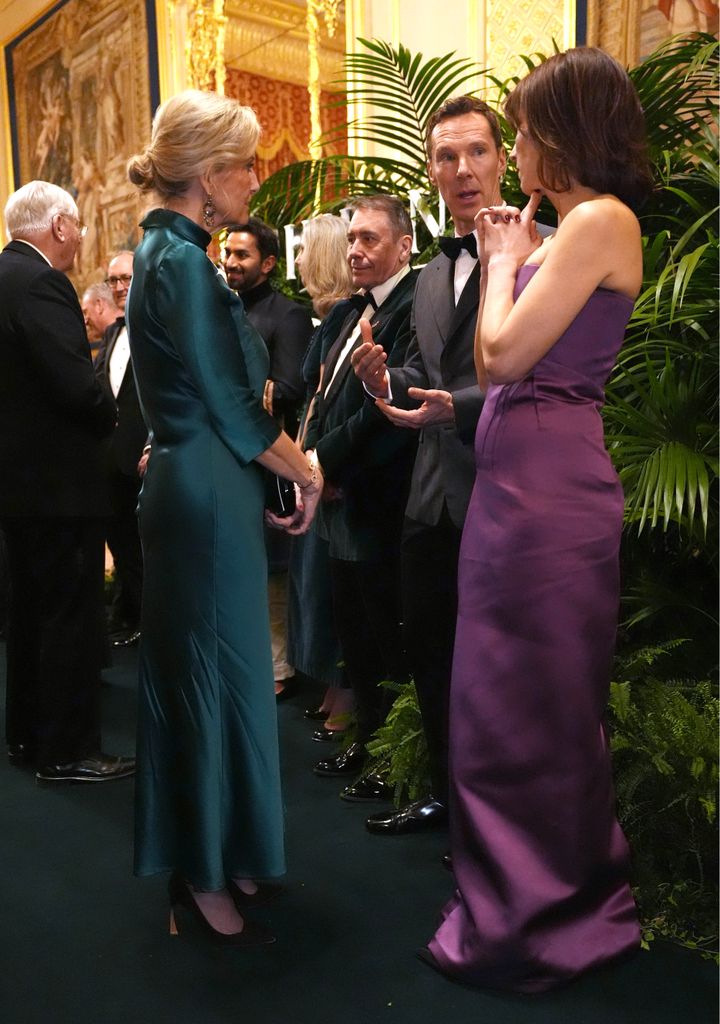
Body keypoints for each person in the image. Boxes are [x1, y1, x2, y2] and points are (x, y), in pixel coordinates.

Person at [423, 47, 652, 992]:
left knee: (538, 704)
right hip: (516, 483)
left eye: (520, 129)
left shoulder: (600, 220)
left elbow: (504, 355)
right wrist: (510, 256)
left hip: (550, 493)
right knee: (496, 697)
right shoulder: (567, 228)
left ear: (564, 132)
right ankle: (512, 895)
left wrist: (502, 262)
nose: (514, 147)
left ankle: (553, 912)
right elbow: (494, 368)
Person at [126, 88, 323, 945]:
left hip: (207, 486)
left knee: (236, 676)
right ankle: (198, 873)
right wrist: (307, 471)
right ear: (207, 175)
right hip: (204, 492)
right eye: (245, 163)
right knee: (207, 685)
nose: (256, 177)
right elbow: (236, 409)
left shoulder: (172, 253)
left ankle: (233, 847)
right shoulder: (178, 262)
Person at [351, 96, 505, 834]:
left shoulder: (544, 248)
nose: (462, 169)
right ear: (431, 171)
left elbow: (537, 374)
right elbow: (423, 368)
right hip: (430, 497)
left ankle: (497, 821)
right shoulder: (436, 274)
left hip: (504, 490)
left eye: (476, 151)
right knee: (433, 655)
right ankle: (448, 797)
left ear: (503, 158)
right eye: (446, 157)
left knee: (497, 672)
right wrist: (386, 378)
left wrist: (462, 407)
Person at [0, 180, 134, 784]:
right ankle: (68, 750)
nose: (80, 237)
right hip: (58, 487)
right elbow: (75, 384)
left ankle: (29, 739)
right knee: (67, 620)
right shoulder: (41, 282)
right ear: (58, 225)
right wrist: (109, 411)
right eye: (77, 227)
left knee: (29, 614)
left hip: (20, 487)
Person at [304, 195, 418, 798]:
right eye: (352, 239)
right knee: (354, 636)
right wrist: (315, 454)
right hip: (341, 497)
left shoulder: (412, 304)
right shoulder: (349, 312)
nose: (355, 249)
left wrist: (325, 459)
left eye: (370, 239)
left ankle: (395, 760)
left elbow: (386, 410)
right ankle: (368, 742)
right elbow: (322, 398)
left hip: (380, 494)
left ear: (403, 246)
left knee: (385, 637)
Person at [222, 218, 314, 699]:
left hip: (271, 460)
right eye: (228, 252)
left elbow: (287, 389)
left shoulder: (288, 314)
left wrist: (234, 397)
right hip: (226, 461)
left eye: (243, 255)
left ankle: (278, 668)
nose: (231, 262)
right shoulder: (219, 309)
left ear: (270, 263)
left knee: (273, 572)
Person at [287, 214, 355, 734]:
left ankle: (344, 686)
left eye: (307, 249)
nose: (300, 259)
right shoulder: (326, 316)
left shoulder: (346, 316)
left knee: (332, 581)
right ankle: (334, 681)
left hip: (332, 462)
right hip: (311, 454)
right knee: (316, 579)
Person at [95, 250, 146, 647]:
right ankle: (129, 614)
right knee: (122, 546)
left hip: (147, 459)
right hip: (110, 461)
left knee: (147, 548)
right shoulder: (112, 333)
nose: (119, 287)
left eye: (126, 278)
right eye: (113, 280)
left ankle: (150, 620)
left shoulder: (155, 330)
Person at [81, 281, 119, 361]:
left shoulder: (124, 342)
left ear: (99, 305)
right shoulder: (108, 345)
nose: (85, 321)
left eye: (85, 312)